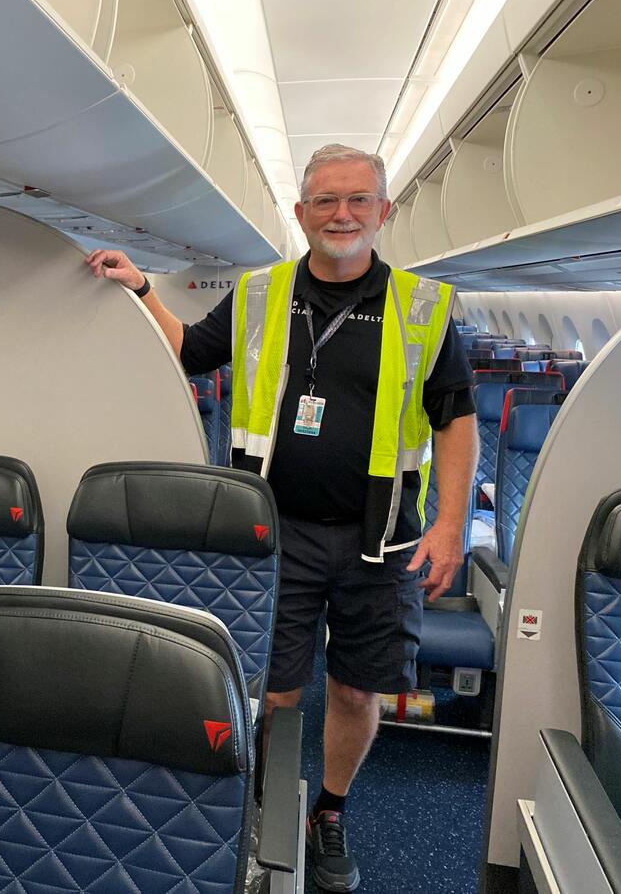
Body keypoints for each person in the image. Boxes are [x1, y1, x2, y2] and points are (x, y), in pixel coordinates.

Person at [86, 143, 478, 893]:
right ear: (300, 214)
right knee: (272, 689)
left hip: (381, 537)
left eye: (358, 200)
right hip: (272, 532)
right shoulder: (262, 292)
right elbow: (192, 351)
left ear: (383, 211)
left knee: (359, 689)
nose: (342, 214)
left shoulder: (423, 306)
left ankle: (328, 810)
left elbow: (455, 418)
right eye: (325, 201)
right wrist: (142, 288)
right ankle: (260, 802)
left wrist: (451, 523)